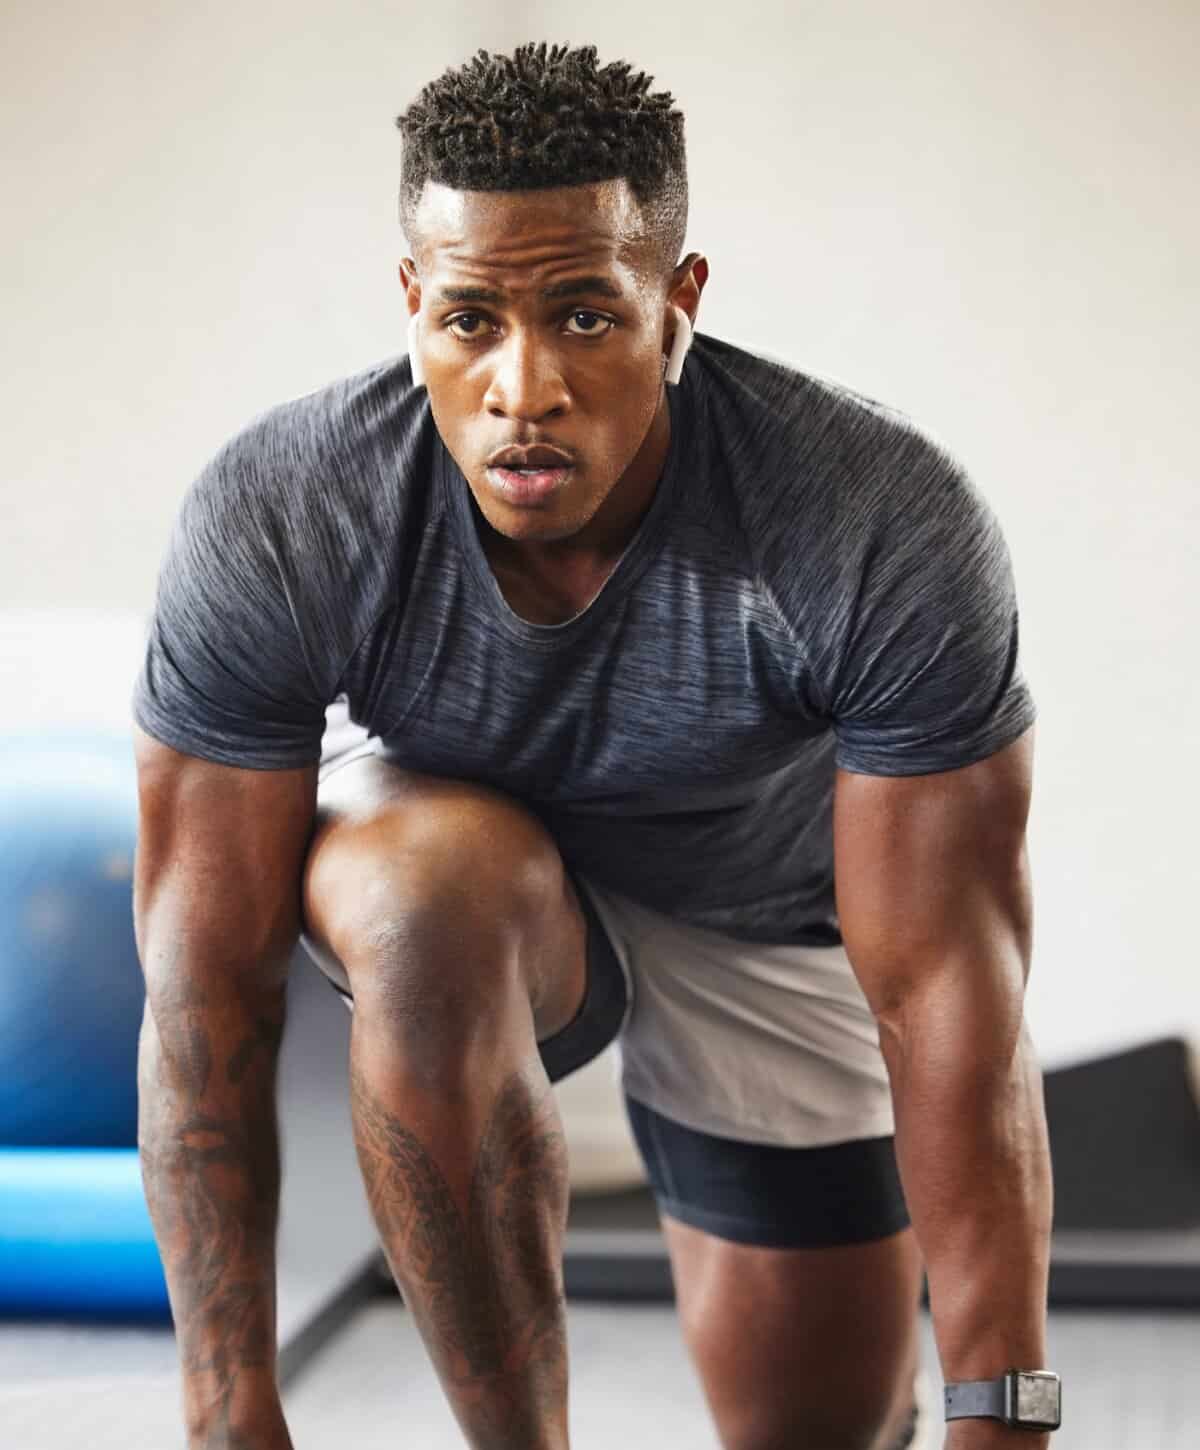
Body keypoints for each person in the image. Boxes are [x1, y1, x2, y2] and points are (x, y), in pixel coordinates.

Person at [131, 39, 1058, 1450]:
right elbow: (203, 986)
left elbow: (944, 996)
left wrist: (1009, 1411)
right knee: (424, 900)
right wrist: (224, 1404)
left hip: (774, 914)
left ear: (678, 307)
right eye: (468, 321)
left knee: (828, 1423)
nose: (523, 387)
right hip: (483, 873)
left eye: (584, 315)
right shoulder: (287, 510)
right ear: (410, 305)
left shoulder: (872, 519)